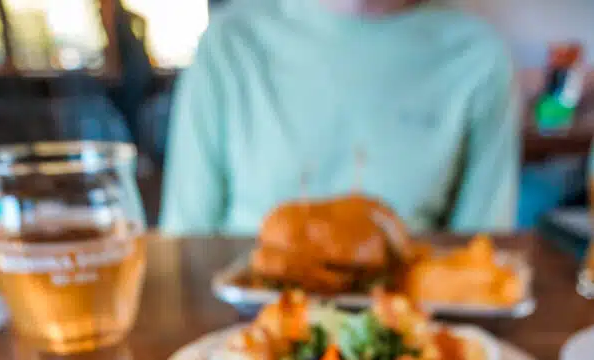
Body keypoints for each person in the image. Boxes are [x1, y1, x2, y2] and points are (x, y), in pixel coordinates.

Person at [160, 0, 519, 235]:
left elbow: (483, 251)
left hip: (414, 325)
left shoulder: (477, 56)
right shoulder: (229, 44)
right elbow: (184, 243)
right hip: (239, 329)